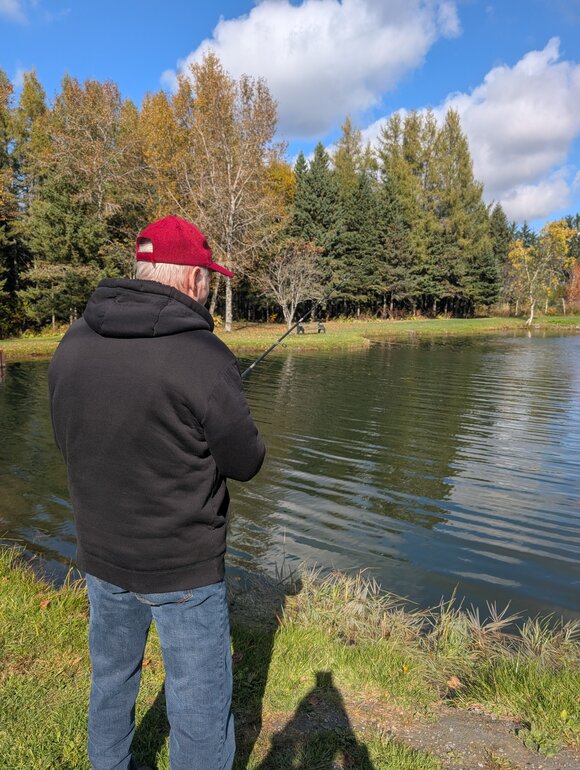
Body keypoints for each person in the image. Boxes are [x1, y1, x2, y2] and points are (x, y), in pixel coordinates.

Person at [48, 215, 266, 770]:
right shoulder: (205, 356)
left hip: (102, 556)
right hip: (183, 568)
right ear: (192, 278)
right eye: (208, 278)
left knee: (110, 683)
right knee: (200, 708)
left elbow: (66, 439)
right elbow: (245, 462)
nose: (208, 289)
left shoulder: (72, 343)